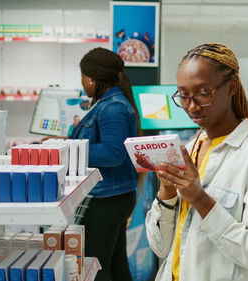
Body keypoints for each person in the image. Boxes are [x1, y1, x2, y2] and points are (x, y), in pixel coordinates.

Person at [145, 43, 248, 281]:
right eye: (183, 96)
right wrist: (167, 192)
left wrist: (200, 199)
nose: (191, 106)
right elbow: (161, 248)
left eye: (203, 93)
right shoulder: (190, 149)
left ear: (231, 87)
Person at [70, 47, 141, 281]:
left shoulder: (113, 107)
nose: (82, 83)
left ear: (91, 78)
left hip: (107, 198)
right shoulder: (107, 103)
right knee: (116, 263)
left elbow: (113, 153)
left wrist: (71, 149)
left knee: (97, 267)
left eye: (82, 77)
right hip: (114, 195)